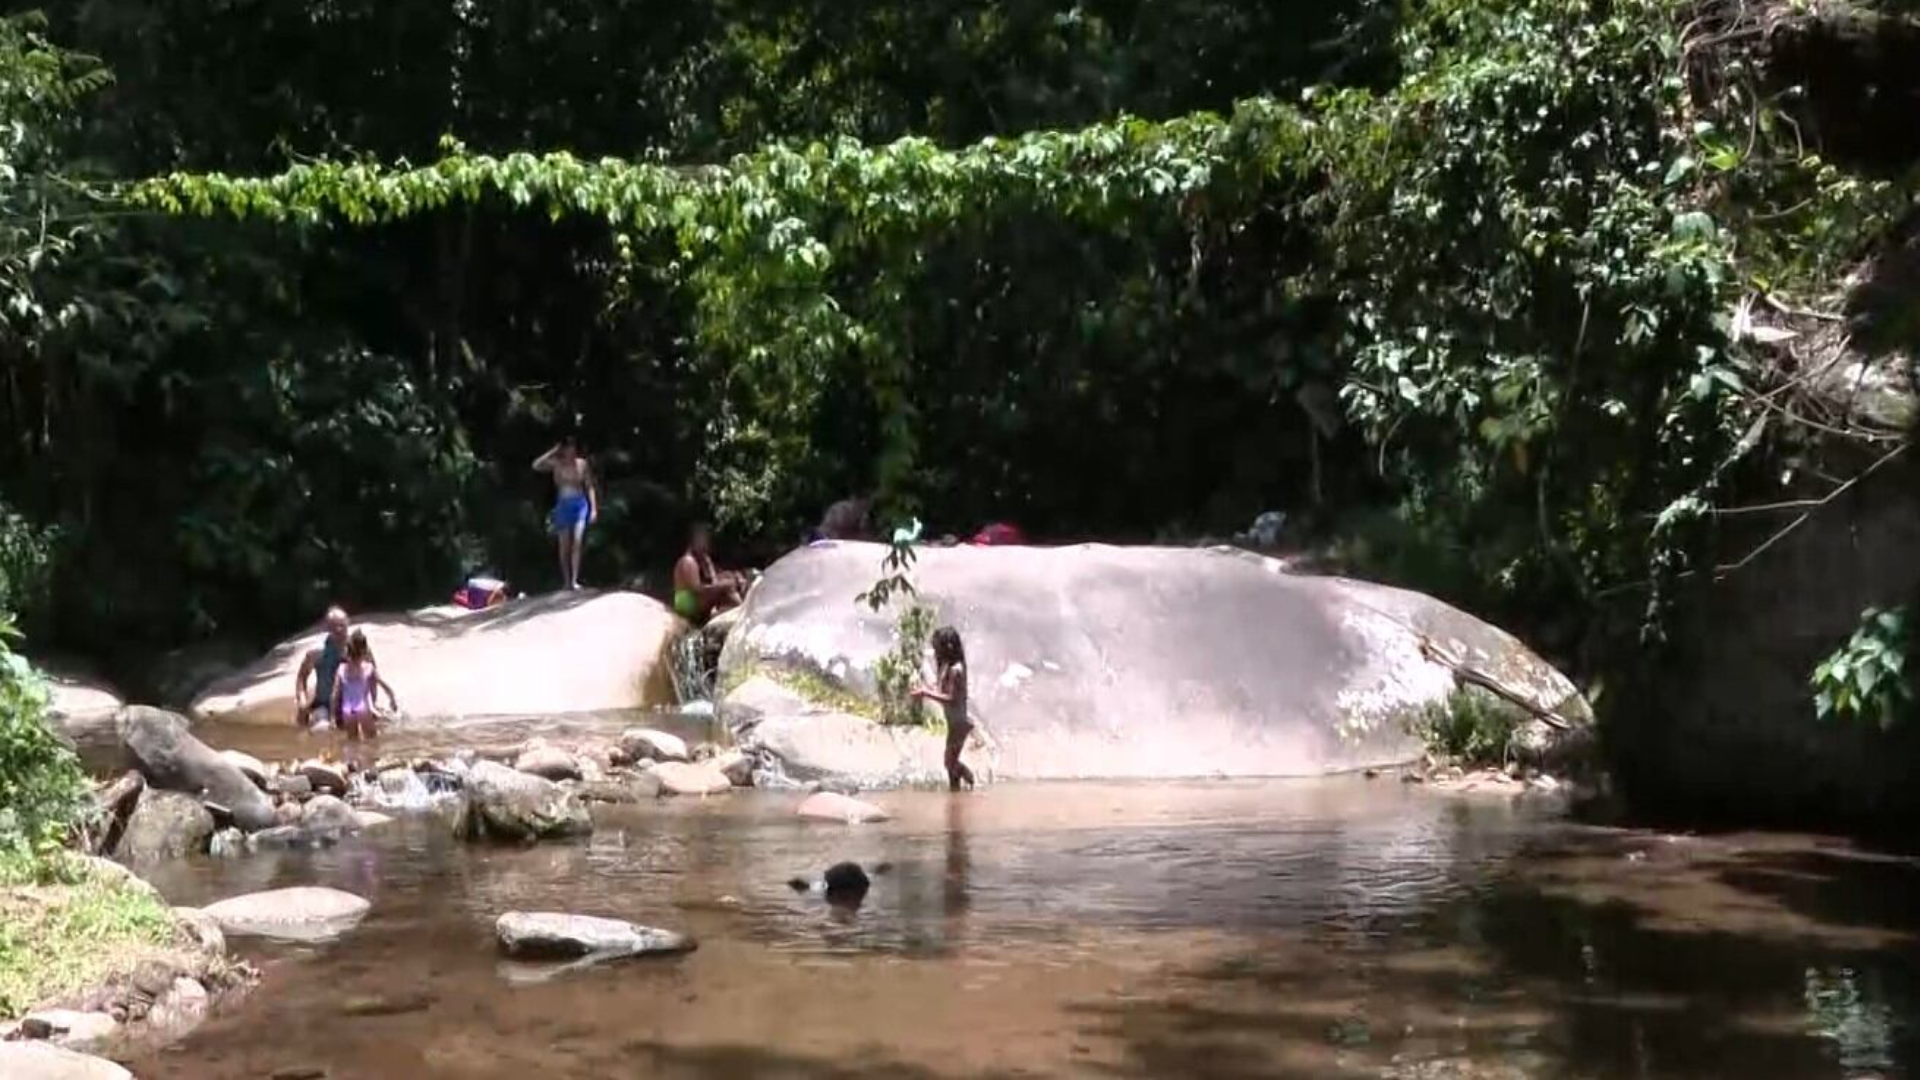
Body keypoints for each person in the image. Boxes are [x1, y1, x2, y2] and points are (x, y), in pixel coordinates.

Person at [912, 626, 977, 791]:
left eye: (937, 648)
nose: (935, 652)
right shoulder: (948, 668)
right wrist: (926, 685)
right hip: (954, 723)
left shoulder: (956, 670)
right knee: (950, 766)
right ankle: (955, 795)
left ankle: (970, 778)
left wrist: (925, 693)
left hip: (959, 724)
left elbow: (951, 699)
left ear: (948, 648)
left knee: (949, 762)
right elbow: (943, 692)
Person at [534, 436, 597, 591]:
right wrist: (553, 451)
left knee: (577, 540)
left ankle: (575, 580)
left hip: (579, 504)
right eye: (567, 448)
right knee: (564, 546)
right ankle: (566, 581)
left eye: (573, 447)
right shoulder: (557, 464)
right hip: (563, 505)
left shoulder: (582, 465)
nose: (571, 451)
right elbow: (536, 465)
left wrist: (593, 508)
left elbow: (589, 487)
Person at [330, 629, 399, 740]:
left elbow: (334, 694)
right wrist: (392, 699)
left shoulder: (341, 669)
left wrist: (332, 717)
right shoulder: (368, 668)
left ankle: (352, 757)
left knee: (352, 740)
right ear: (365, 650)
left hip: (347, 710)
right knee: (372, 739)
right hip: (363, 708)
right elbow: (384, 685)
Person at [672, 523, 747, 623]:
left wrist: (734, 577)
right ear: (694, 540)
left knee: (729, 578)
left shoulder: (703, 559)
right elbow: (697, 590)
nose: (706, 543)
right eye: (703, 539)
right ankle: (742, 610)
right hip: (687, 603)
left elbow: (714, 579)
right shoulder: (688, 561)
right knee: (726, 586)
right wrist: (723, 585)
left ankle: (734, 611)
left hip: (697, 598)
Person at [292, 606, 352, 729]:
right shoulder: (317, 652)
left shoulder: (358, 649)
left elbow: (372, 674)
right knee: (322, 730)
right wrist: (302, 700)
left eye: (342, 625)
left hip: (351, 702)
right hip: (323, 704)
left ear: (348, 624)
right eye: (334, 626)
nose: (339, 629)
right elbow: (302, 677)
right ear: (327, 628)